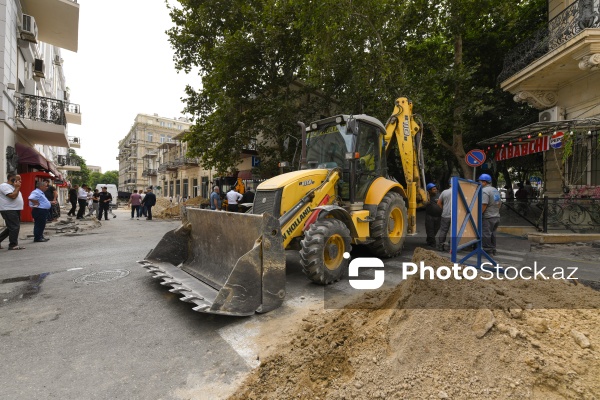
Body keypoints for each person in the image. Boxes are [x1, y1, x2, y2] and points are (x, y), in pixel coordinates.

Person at [478, 174, 502, 256]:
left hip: (488, 217)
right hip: (496, 216)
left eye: (480, 181)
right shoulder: (495, 190)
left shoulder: (484, 191)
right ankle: (493, 249)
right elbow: (499, 204)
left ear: (484, 182)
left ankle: (488, 251)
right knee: (493, 234)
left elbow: (484, 204)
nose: (479, 183)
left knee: (486, 234)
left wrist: (479, 214)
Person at [0, 173, 25, 250]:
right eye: (18, 179)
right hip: (9, 209)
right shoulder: (4, 186)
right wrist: (17, 187)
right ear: (11, 178)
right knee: (14, 227)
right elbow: (13, 196)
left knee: (11, 227)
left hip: (14, 209)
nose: (20, 181)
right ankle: (13, 245)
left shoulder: (13, 186)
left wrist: (16, 187)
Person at [436, 179, 452, 252]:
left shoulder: (444, 192)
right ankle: (451, 246)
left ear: (450, 184)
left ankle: (440, 246)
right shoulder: (459, 192)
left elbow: (439, 203)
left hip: (445, 215)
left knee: (443, 231)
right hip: (455, 216)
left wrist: (444, 209)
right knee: (454, 232)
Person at [425, 183, 442, 247]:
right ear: (429, 190)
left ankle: (429, 240)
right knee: (430, 230)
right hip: (430, 216)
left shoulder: (439, 195)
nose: (435, 190)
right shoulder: (426, 197)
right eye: (433, 189)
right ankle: (432, 243)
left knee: (435, 229)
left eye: (435, 189)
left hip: (438, 217)